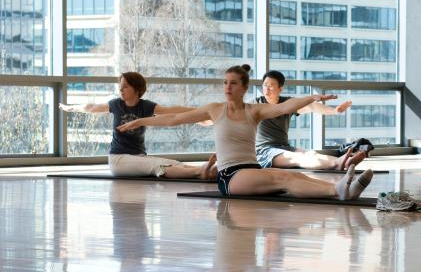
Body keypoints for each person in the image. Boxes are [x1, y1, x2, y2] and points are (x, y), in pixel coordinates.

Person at [117, 64, 374, 200]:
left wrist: (313, 97)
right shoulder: (215, 109)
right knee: (283, 179)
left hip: (250, 170)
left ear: (243, 88)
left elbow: (286, 106)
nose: (227, 87)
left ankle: (340, 186)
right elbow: (175, 119)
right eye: (225, 83)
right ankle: (338, 191)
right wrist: (141, 122)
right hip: (230, 176)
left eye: (233, 83)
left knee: (294, 176)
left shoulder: (254, 111)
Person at [59, 71, 217, 179]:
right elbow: (91, 107)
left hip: (139, 157)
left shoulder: (145, 106)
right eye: (120, 86)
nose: (121, 89)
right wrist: (70, 107)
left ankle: (206, 171)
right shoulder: (116, 105)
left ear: (137, 89)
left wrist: (201, 114)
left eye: (126, 86)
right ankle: (200, 171)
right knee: (157, 165)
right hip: (119, 160)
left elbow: (173, 111)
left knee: (173, 163)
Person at [251, 70, 366, 170]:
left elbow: (312, 106)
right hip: (264, 152)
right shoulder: (255, 104)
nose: (266, 90)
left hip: (283, 147)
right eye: (265, 85)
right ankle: (337, 163)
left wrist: (335, 111)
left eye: (271, 86)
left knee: (311, 154)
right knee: (297, 158)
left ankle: (345, 162)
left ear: (280, 88)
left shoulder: (287, 103)